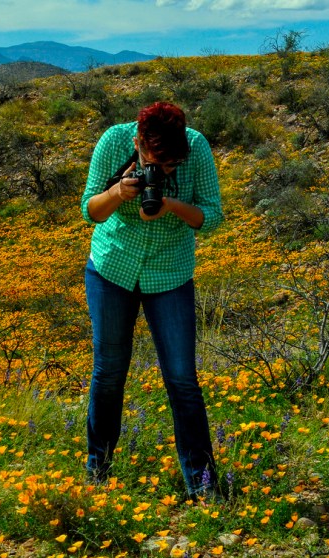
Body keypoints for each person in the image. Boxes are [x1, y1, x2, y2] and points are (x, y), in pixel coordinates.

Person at [81, 101, 224, 499]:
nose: (163, 172)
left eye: (172, 166)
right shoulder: (113, 141)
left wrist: (172, 205)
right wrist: (119, 192)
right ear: (139, 144)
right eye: (155, 163)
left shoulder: (197, 148)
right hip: (113, 268)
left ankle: (202, 484)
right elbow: (90, 211)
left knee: (182, 378)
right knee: (108, 373)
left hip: (170, 274)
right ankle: (98, 471)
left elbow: (212, 217)